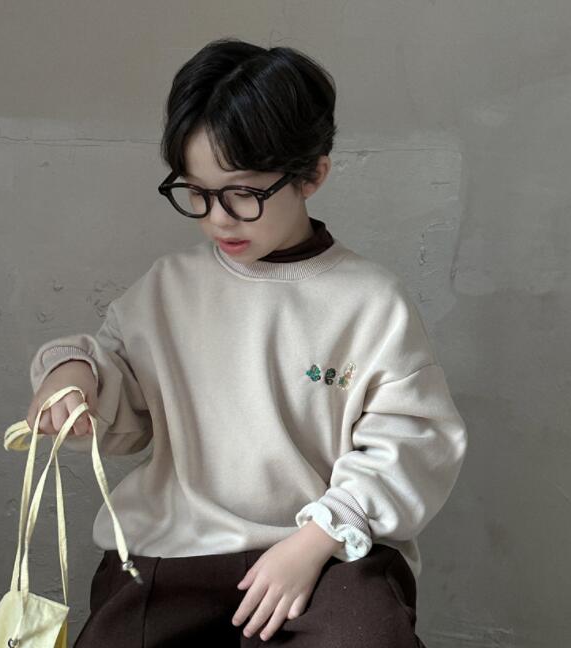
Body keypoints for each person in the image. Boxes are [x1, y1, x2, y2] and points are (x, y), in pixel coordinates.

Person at [26, 37, 467, 648]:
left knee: (366, 635)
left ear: (312, 174)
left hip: (328, 555)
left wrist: (316, 539)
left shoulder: (371, 303)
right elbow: (121, 393)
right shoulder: (168, 288)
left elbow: (414, 441)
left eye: (242, 194)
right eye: (197, 193)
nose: (218, 218)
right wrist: (74, 375)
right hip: (175, 550)